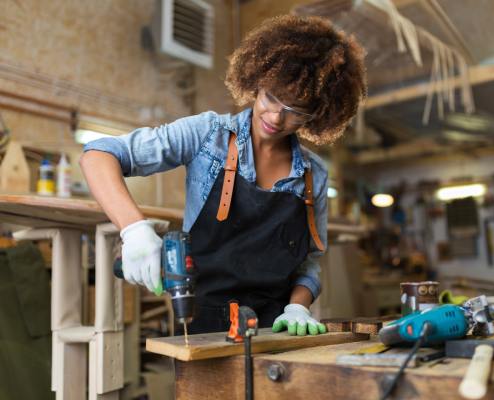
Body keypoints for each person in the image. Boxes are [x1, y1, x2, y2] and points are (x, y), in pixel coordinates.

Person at [80, 15, 366, 336]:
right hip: (201, 323)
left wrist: (298, 305)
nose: (275, 116)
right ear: (258, 80)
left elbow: (309, 261)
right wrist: (134, 230)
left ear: (318, 114)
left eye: (295, 110)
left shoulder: (314, 175)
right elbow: (99, 154)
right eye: (271, 96)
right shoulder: (207, 135)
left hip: (277, 328)